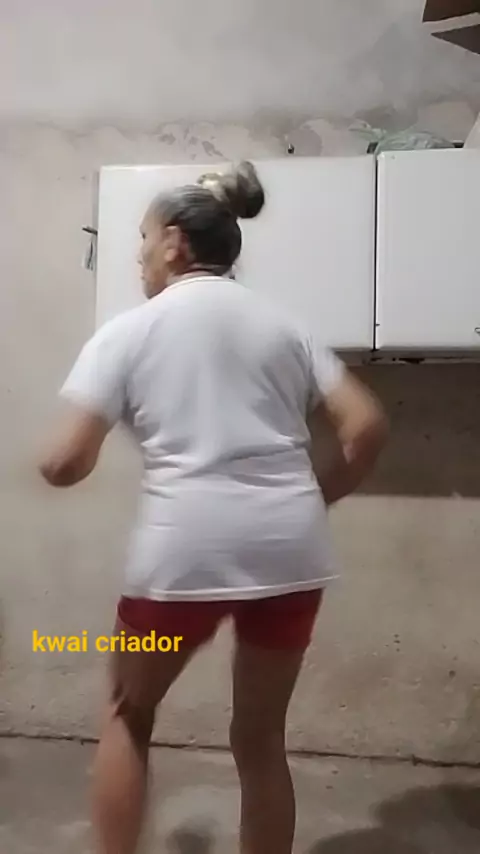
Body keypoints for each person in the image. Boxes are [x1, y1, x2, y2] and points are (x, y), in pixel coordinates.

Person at [39, 161, 388, 854]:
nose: (139, 257)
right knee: (260, 737)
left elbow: (66, 462)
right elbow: (367, 427)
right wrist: (309, 500)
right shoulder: (286, 326)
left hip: (184, 555)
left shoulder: (129, 331)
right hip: (290, 551)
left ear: (174, 243)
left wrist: (48, 466)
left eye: (143, 240)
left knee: (128, 713)